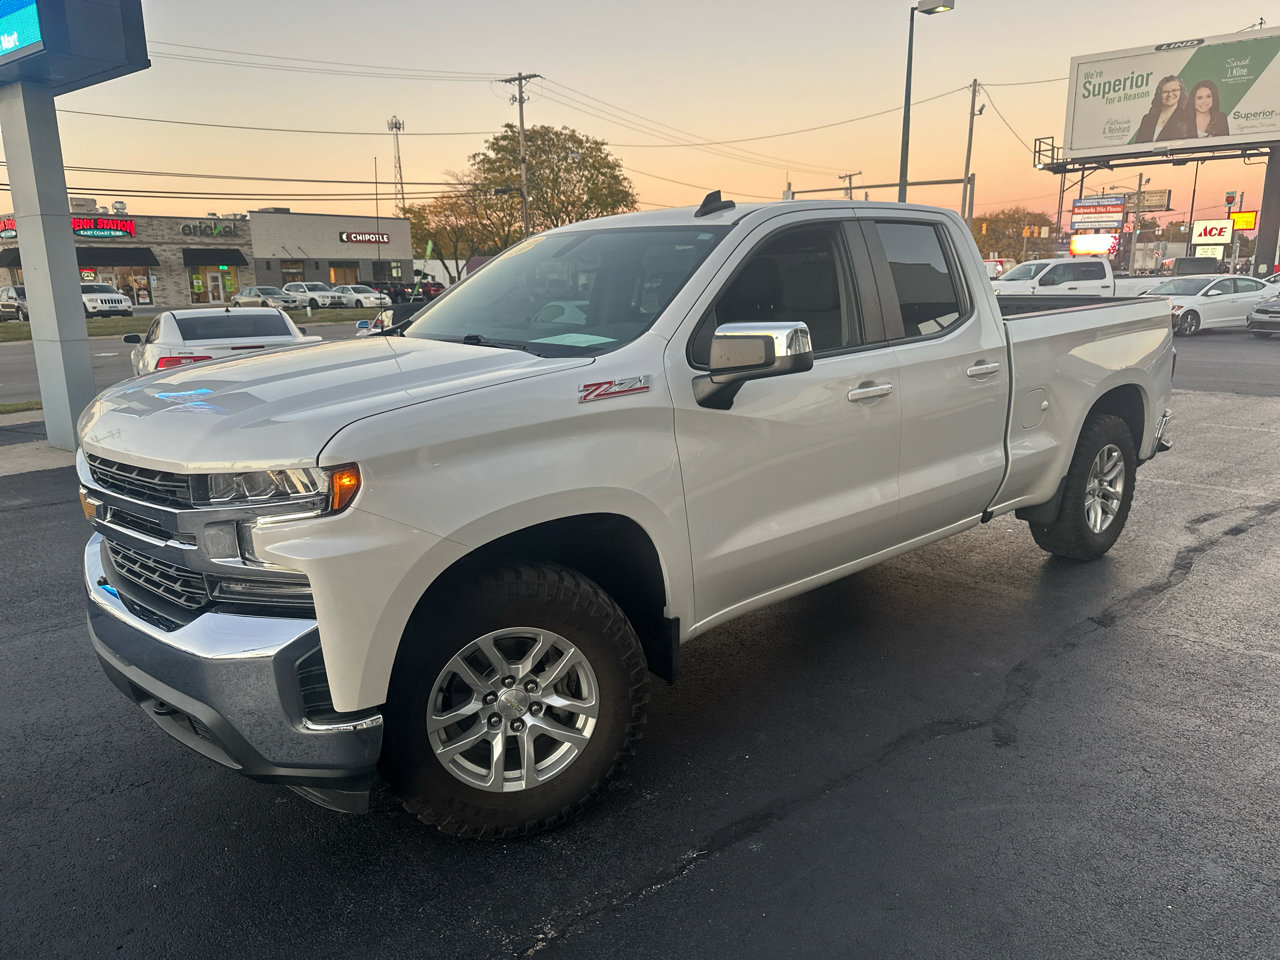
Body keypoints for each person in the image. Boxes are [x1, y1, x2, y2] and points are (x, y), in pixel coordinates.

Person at [1135, 76, 1192, 142]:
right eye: (1165, 92)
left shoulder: (1187, 118)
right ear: (1159, 94)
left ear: (1181, 92)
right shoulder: (1147, 119)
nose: (1170, 94)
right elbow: (1138, 145)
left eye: (1174, 90)